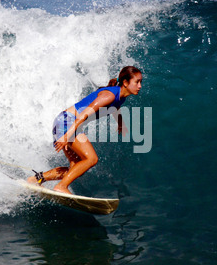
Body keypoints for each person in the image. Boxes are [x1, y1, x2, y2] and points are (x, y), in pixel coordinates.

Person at [27, 66, 143, 194]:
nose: (140, 86)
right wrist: (68, 134)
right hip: (68, 122)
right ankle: (61, 187)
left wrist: (120, 123)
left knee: (74, 169)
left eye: (140, 82)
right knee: (92, 159)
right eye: (137, 82)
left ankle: (36, 179)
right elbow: (85, 113)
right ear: (126, 83)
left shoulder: (120, 97)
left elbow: (115, 107)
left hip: (64, 121)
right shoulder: (109, 95)